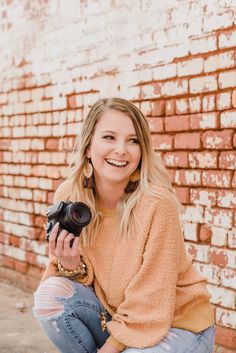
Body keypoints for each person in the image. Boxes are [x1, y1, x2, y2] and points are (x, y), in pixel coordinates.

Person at [33, 97, 215, 353]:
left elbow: (151, 296)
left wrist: (111, 348)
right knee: (50, 297)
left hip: (178, 321)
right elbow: (73, 281)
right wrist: (71, 265)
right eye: (109, 137)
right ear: (88, 147)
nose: (121, 150)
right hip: (116, 316)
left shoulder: (157, 202)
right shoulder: (71, 196)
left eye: (133, 141)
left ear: (142, 152)